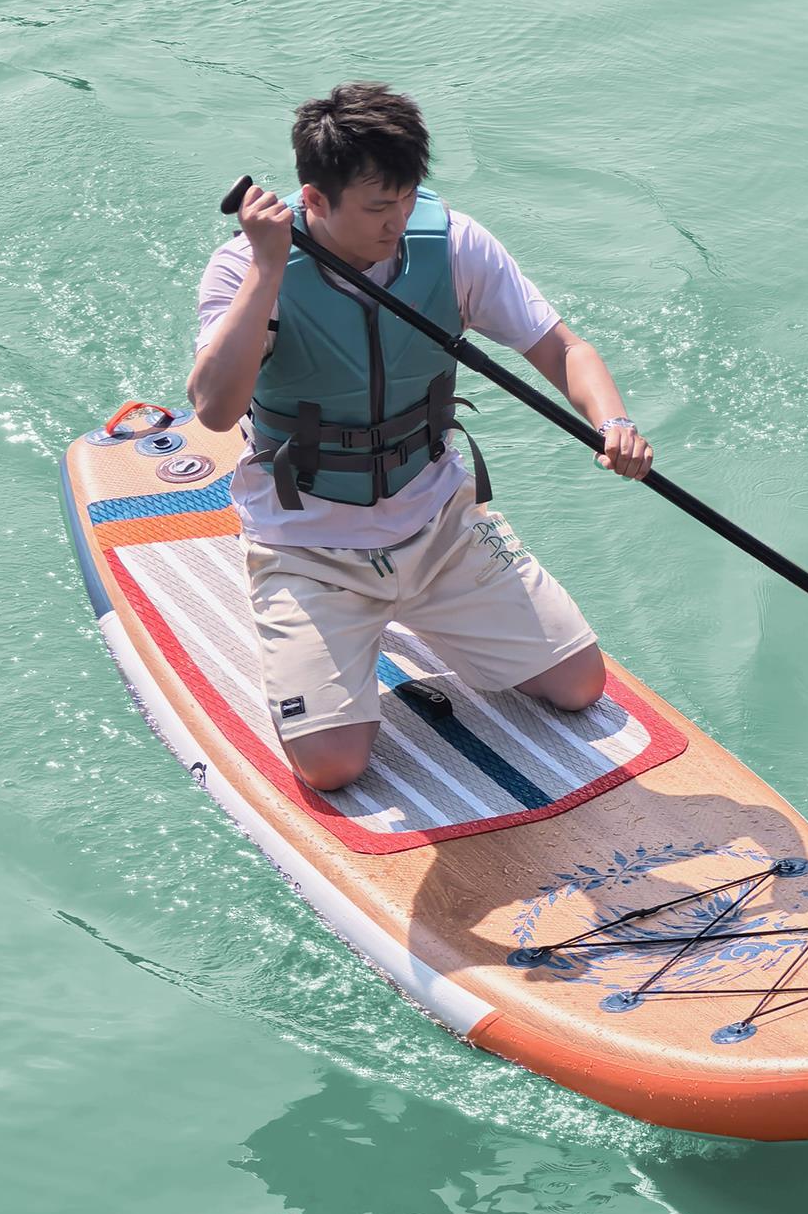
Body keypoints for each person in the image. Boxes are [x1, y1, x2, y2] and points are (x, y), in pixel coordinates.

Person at [188, 81, 653, 792]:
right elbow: (217, 410)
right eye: (378, 207)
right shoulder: (245, 270)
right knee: (333, 767)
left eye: (407, 198)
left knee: (579, 685)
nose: (398, 221)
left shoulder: (453, 243)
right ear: (314, 200)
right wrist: (269, 267)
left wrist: (612, 420)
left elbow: (563, 349)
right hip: (308, 543)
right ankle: (309, 634)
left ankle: (411, 613)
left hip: (438, 521)